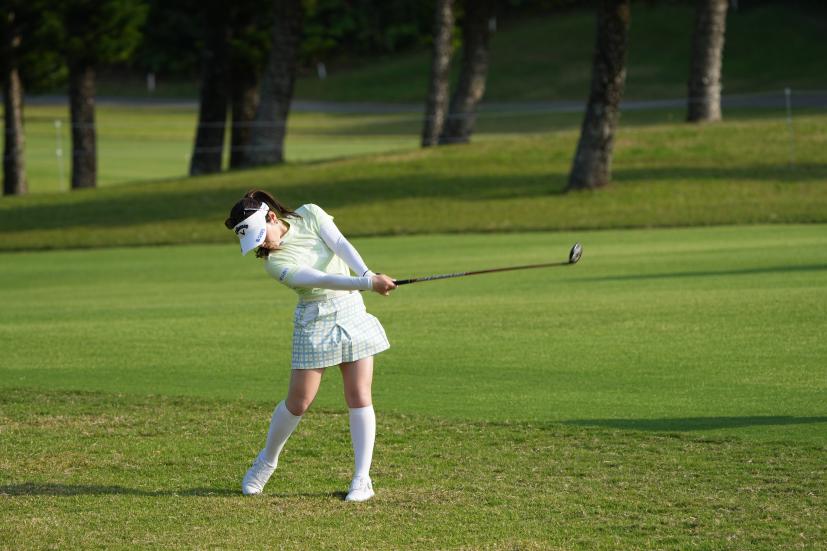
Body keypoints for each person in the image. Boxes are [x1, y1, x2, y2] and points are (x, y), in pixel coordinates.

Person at [224, 189, 396, 502]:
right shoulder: (274, 264)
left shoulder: (310, 214)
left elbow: (340, 244)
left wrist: (367, 274)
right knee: (299, 401)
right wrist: (367, 283)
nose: (261, 246)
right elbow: (319, 279)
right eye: (254, 243)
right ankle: (266, 461)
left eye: (261, 236)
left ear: (272, 217)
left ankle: (362, 479)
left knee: (359, 394)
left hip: (350, 310)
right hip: (315, 320)